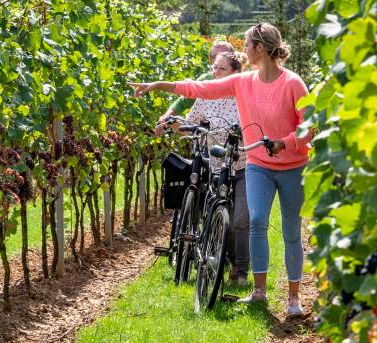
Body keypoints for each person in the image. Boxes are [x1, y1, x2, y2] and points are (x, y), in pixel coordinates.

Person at [132, 23, 311, 317]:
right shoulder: (244, 82)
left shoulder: (293, 84)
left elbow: (309, 127)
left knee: (291, 231)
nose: (243, 50)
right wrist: (159, 85)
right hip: (259, 165)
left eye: (246, 45)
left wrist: (285, 142)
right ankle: (259, 292)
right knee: (255, 222)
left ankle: (293, 298)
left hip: (293, 166)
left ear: (261, 49)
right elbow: (199, 88)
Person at [157, 51, 253, 285]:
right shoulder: (206, 96)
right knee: (219, 215)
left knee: (240, 219)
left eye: (221, 69)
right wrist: (171, 124)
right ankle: (222, 259)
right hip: (216, 167)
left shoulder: (245, 97)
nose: (215, 73)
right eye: (215, 68)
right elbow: (191, 125)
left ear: (235, 74)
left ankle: (241, 271)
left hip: (244, 165)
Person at [156, 41, 236, 126]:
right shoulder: (205, 80)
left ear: (234, 59)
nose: (218, 59)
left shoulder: (243, 82)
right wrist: (166, 117)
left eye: (223, 55)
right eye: (214, 57)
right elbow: (183, 102)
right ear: (210, 60)